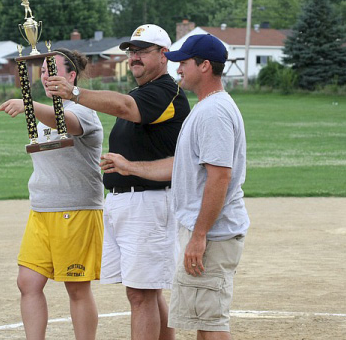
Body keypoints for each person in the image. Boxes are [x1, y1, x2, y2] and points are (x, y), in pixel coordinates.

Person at [101, 34, 250, 340]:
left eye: (184, 62)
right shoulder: (206, 108)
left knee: (211, 323)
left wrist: (199, 236)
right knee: (203, 319)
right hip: (207, 232)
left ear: (205, 66)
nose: (177, 68)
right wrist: (129, 167)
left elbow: (219, 177)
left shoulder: (214, 112)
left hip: (213, 234)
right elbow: (181, 168)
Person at [48, 25, 191, 340]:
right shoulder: (143, 92)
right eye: (132, 50)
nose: (134, 56)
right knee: (146, 292)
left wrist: (74, 92)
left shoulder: (165, 90)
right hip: (128, 201)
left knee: (141, 294)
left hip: (149, 201)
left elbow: (124, 107)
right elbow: (125, 105)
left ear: (164, 55)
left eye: (143, 50)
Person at [0, 48, 104, 340]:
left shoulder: (84, 111)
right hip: (41, 210)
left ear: (71, 76)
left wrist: (28, 104)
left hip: (77, 210)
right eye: (42, 71)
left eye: (52, 70)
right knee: (27, 282)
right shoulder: (43, 114)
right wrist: (32, 107)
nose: (45, 76)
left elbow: (64, 121)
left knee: (77, 288)